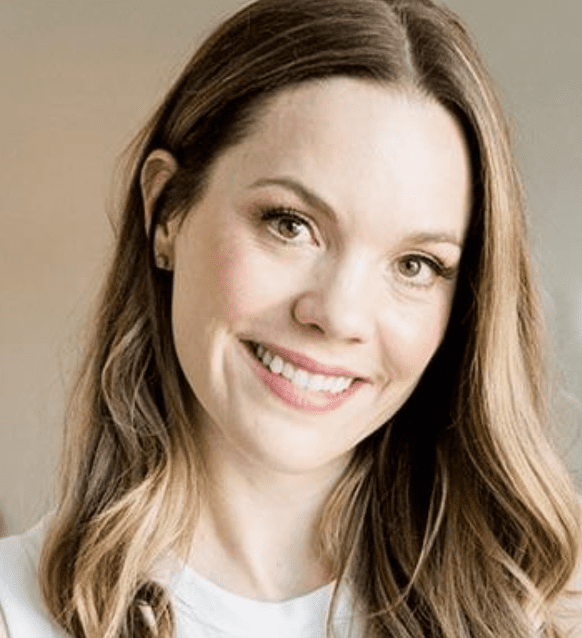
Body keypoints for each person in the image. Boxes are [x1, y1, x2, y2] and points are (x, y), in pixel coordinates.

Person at [0, 0, 580, 636]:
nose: (338, 315)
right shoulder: (15, 611)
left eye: (415, 264)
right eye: (291, 224)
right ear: (166, 208)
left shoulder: (544, 612)